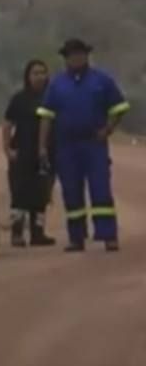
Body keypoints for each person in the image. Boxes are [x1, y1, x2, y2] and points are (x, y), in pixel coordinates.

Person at [36, 38, 131, 252]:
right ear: (65, 59)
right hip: (66, 146)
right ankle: (76, 238)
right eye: (72, 55)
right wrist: (42, 147)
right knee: (71, 191)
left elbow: (120, 107)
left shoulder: (102, 80)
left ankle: (108, 236)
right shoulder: (57, 84)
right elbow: (46, 117)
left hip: (93, 144)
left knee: (101, 189)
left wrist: (108, 129)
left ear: (87, 56)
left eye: (80, 54)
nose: (77, 58)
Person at [3, 59, 57, 247]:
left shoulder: (52, 98)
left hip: (46, 153)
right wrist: (7, 148)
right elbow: (8, 124)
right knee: (19, 195)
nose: (40, 76)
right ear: (28, 76)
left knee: (42, 194)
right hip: (22, 152)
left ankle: (38, 234)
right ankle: (17, 234)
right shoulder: (19, 99)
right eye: (35, 73)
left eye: (43, 72)